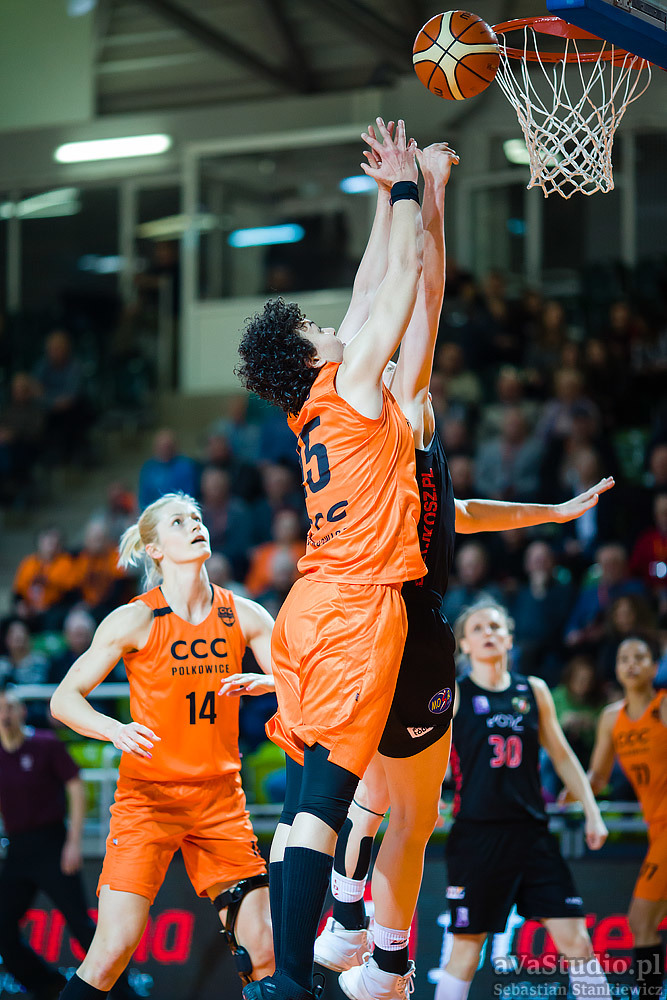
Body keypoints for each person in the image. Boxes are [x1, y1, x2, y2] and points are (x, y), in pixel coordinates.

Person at [315, 140, 615, 1000]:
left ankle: (349, 925)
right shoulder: (392, 409)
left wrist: (549, 514)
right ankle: (376, 952)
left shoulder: (359, 421)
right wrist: (429, 195)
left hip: (364, 614)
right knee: (406, 810)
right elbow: (420, 293)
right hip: (401, 619)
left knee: (375, 794)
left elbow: (462, 513)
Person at [236, 117, 426, 1000]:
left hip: (309, 611)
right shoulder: (348, 382)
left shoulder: (311, 399)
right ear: (311, 350)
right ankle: (290, 984)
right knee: (326, 801)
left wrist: (385, 195)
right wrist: (409, 189)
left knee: (301, 797)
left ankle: (285, 976)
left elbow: (365, 285)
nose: (331, 324)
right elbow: (399, 285)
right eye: (317, 326)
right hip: (352, 610)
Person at [49, 492, 276, 999]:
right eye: (178, 522)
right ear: (154, 548)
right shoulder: (135, 618)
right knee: (111, 952)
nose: (194, 525)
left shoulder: (244, 613)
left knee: (264, 951)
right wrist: (114, 729)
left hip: (220, 799)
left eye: (196, 517)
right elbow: (64, 699)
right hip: (148, 799)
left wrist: (274, 683)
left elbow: (305, 683)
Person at [434, 601, 611, 1000]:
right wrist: (429, 800)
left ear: (510, 638)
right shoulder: (456, 694)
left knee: (578, 941)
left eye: (496, 626)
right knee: (466, 951)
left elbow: (562, 755)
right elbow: (430, 759)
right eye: (478, 628)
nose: (488, 633)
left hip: (532, 834)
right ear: (465, 644)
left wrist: (592, 812)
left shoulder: (534, 689)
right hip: (477, 836)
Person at [0, 688, 136, 1000]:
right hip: (18, 849)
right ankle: (47, 986)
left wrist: (73, 842)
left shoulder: (45, 744)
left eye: (10, 707)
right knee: (3, 927)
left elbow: (75, 786)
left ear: (22, 712)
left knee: (80, 924)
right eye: (0, 708)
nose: (5, 714)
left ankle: (124, 993)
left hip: (52, 844)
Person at [586, 636, 667, 999]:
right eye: (624, 658)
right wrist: (574, 791)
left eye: (640, 657)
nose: (631, 663)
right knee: (646, 922)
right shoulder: (611, 718)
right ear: (616, 669)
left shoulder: (663, 706)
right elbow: (598, 777)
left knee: (640, 920)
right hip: (656, 829)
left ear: (654, 666)